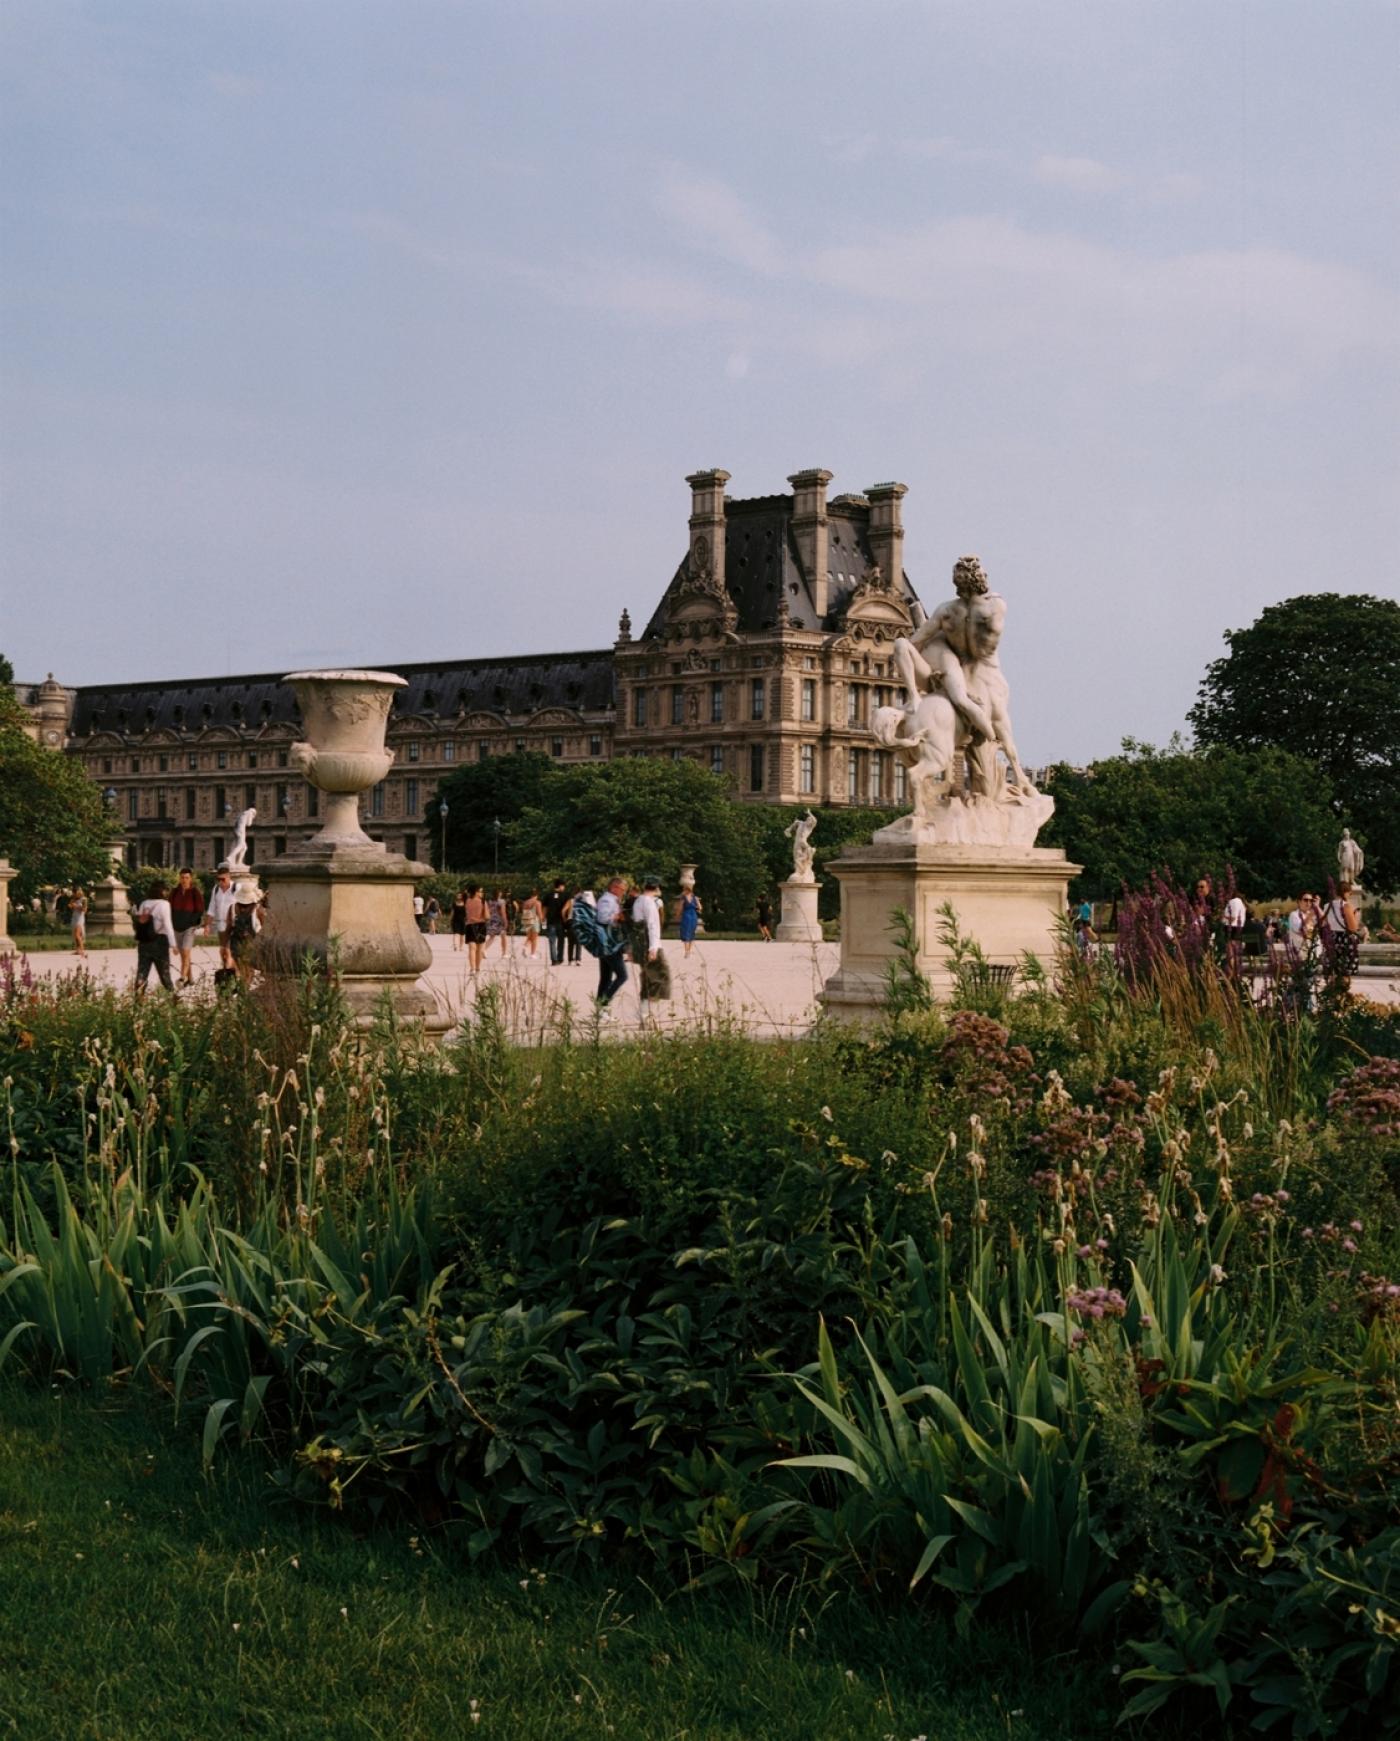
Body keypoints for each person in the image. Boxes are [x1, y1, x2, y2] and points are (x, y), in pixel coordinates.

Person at [134, 880, 178, 993]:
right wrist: (173, 944)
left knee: (142, 971)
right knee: (164, 974)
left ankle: (138, 998)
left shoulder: (144, 903)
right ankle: (172, 997)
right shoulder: (164, 904)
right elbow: (168, 925)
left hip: (144, 941)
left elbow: (140, 923)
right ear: (161, 891)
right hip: (159, 942)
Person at [632, 876, 668, 1010]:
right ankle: (646, 1012)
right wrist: (653, 948)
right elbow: (652, 925)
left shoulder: (638, 901)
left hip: (640, 944)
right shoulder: (649, 903)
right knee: (659, 978)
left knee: (648, 978)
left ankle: (645, 1011)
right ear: (656, 887)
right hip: (650, 944)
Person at [595, 876, 629, 1006]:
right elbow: (602, 918)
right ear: (614, 887)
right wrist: (618, 916)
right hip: (609, 942)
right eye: (622, 889)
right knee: (622, 976)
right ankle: (603, 1003)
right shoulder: (607, 900)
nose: (623, 892)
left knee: (606, 977)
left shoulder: (613, 900)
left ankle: (600, 1009)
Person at [169, 868, 205, 987]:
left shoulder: (195, 892)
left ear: (191, 878)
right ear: (179, 878)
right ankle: (190, 979)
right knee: (184, 955)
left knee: (185, 951)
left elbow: (200, 910)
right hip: (176, 927)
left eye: (187, 878)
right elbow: (168, 908)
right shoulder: (174, 892)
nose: (184, 880)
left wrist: (192, 922)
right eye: (182, 877)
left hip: (189, 927)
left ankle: (182, 978)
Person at [1321, 883, 1361, 988]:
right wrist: (1356, 916)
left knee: (1333, 971)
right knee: (1345, 972)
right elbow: (1353, 928)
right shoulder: (1346, 906)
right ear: (1346, 892)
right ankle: (1343, 997)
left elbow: (1324, 924)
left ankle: (1332, 993)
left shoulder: (1327, 906)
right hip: (1345, 939)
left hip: (1332, 938)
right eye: (1350, 893)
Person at [227, 881, 262, 983]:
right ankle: (244, 993)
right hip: (251, 944)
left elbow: (228, 927)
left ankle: (243, 991)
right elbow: (263, 928)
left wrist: (224, 945)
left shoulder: (232, 908)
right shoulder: (257, 909)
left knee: (243, 970)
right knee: (248, 971)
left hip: (235, 943)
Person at [206, 867, 238, 969]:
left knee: (228, 951)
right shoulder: (216, 889)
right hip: (221, 925)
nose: (220, 882)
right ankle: (231, 971)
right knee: (223, 952)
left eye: (223, 879)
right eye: (218, 879)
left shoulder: (237, 888)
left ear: (229, 877)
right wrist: (207, 925)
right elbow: (211, 908)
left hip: (233, 925)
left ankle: (229, 973)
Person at [544, 878, 570, 965]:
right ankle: (560, 958)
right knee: (561, 941)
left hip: (551, 921)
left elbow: (545, 908)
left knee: (552, 941)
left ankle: (554, 960)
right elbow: (568, 908)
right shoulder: (565, 896)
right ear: (561, 886)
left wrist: (543, 917)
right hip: (561, 922)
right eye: (564, 886)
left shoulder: (548, 895)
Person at [464, 885, 488, 973]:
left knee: (472, 948)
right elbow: (487, 916)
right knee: (480, 948)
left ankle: (472, 969)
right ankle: (478, 968)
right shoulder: (482, 902)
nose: (482, 893)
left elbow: (466, 914)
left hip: (470, 925)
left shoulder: (467, 901)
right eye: (480, 891)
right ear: (476, 892)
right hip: (481, 925)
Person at [678, 885, 702, 957]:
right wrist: (697, 908)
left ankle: (687, 951)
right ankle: (688, 951)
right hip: (693, 916)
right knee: (691, 932)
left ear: (686, 890)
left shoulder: (683, 898)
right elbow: (700, 908)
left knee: (687, 933)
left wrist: (678, 915)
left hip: (686, 916)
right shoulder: (695, 898)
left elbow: (680, 908)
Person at [520, 887, 544, 958]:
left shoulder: (525, 902)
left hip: (526, 921)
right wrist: (542, 921)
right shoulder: (537, 902)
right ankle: (532, 953)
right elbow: (539, 914)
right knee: (534, 939)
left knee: (529, 937)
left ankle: (525, 947)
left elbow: (523, 912)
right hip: (534, 921)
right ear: (537, 895)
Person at [487, 888, 509, 958]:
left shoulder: (490, 901)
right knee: (503, 936)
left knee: (492, 936)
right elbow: (503, 912)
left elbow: (489, 911)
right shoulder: (502, 901)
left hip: (492, 919)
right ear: (500, 894)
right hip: (499, 920)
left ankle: (483, 949)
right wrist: (505, 921)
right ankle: (504, 953)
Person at [68, 886, 88, 959]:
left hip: (80, 918)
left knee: (77, 934)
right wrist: (71, 906)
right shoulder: (73, 899)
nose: (74, 894)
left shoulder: (84, 899)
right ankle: (77, 950)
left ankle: (82, 950)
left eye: (75, 892)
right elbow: (70, 906)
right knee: (75, 934)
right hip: (74, 917)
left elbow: (85, 910)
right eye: (74, 893)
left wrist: (76, 906)